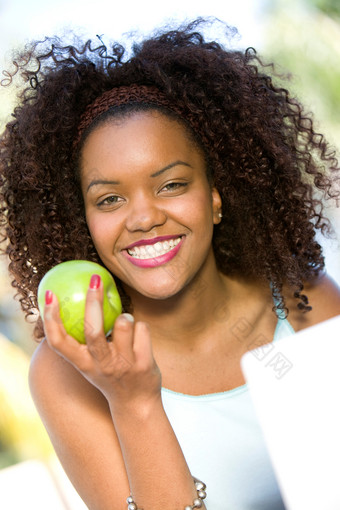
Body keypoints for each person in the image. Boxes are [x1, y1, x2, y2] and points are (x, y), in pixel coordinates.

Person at [1, 18, 340, 510]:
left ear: (216, 196)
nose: (143, 218)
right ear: (83, 221)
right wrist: (133, 401)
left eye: (172, 185)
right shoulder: (69, 371)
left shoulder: (304, 301)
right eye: (110, 199)